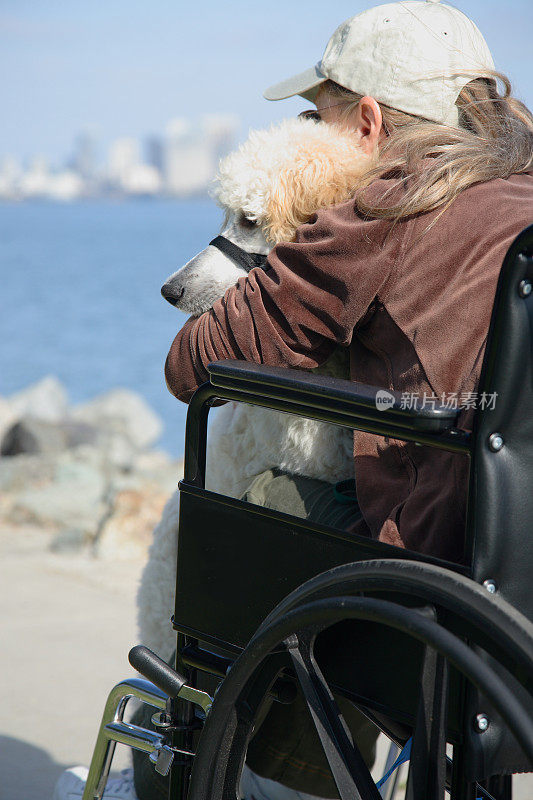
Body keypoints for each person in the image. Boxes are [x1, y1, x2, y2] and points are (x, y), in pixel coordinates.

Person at [53, 1, 533, 799]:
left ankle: (235, 776)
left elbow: (194, 365)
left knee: (260, 502)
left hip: (448, 571)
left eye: (319, 115)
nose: (311, 128)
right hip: (520, 576)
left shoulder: (385, 207)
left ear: (369, 122)